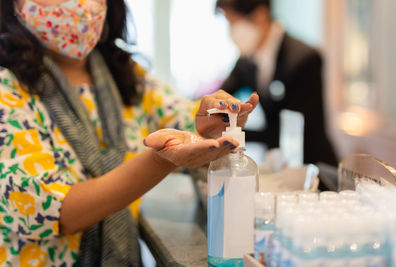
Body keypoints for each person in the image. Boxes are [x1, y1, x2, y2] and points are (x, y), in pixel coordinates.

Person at [0, 0, 259, 266]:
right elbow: (52, 210)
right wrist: (160, 160)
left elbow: (187, 120)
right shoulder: (7, 88)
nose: (78, 4)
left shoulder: (125, 75)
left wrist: (213, 121)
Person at [216, 0, 338, 167]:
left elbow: (293, 128)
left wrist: (232, 134)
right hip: (278, 164)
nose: (231, 31)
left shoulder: (304, 59)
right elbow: (220, 96)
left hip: (311, 166)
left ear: (260, 14)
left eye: (234, 22)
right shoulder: (246, 60)